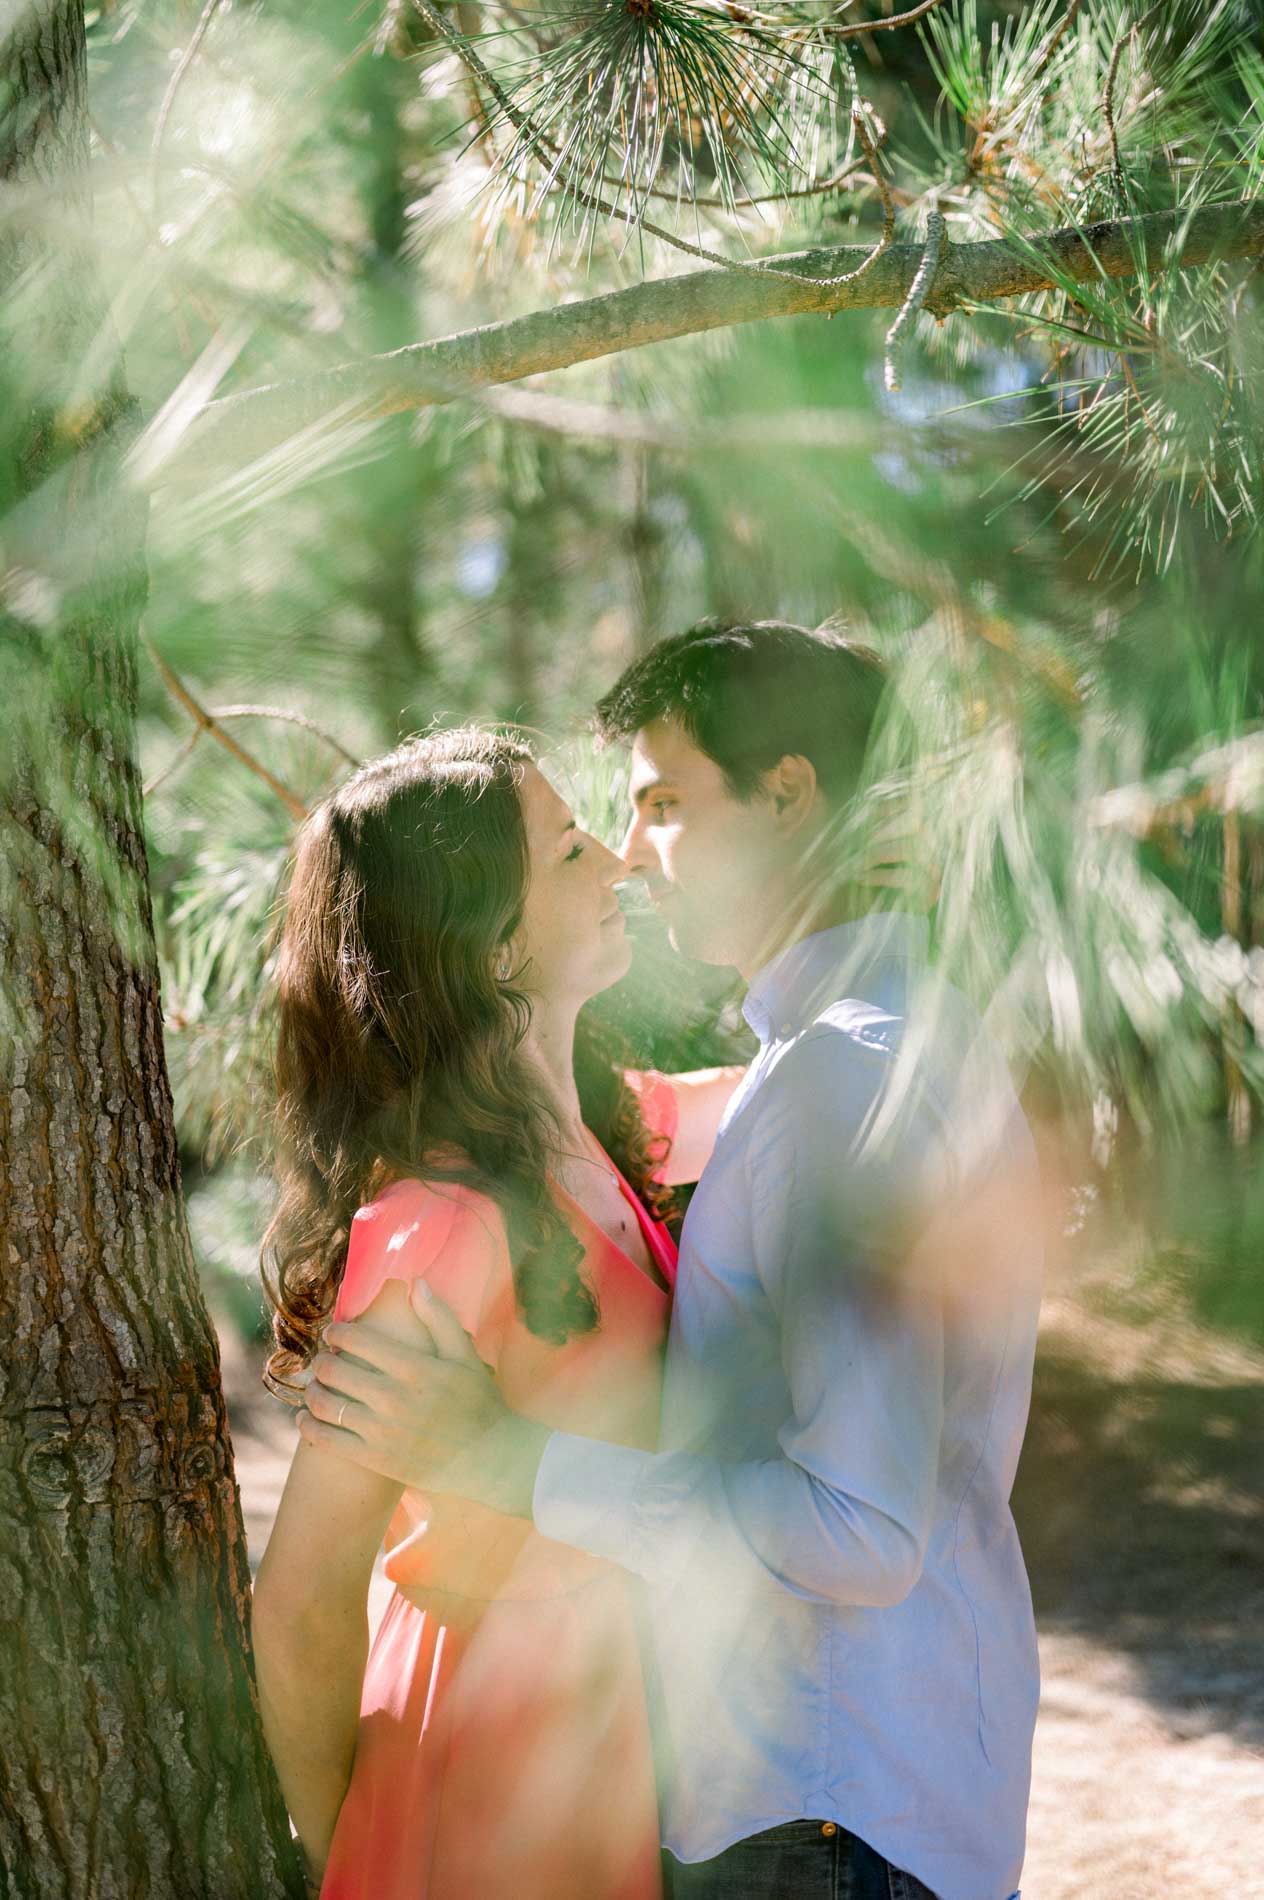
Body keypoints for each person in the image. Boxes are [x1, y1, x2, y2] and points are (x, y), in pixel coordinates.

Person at [309, 621, 1043, 1900]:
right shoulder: (868, 1045)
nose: (634, 853)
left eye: (661, 803)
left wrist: (519, 1461)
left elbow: (860, 1529)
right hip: (837, 1791)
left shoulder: (833, 1077)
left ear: (787, 794)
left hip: (820, 1810)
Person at [251, 724, 739, 1900]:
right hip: (486, 1773)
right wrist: (361, 1851)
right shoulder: (437, 1227)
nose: (616, 864)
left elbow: (791, 1090)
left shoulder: (606, 1129)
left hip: (616, 1743)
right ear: (490, 938)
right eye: (570, 848)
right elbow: (304, 1598)